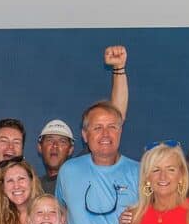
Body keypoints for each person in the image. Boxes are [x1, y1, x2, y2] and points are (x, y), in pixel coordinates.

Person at [37, 46, 129, 194]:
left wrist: (119, 69)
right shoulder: (33, 187)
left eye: (62, 141)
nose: (55, 146)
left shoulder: (84, 167)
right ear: (39, 147)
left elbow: (116, 116)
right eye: (49, 140)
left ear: (71, 149)